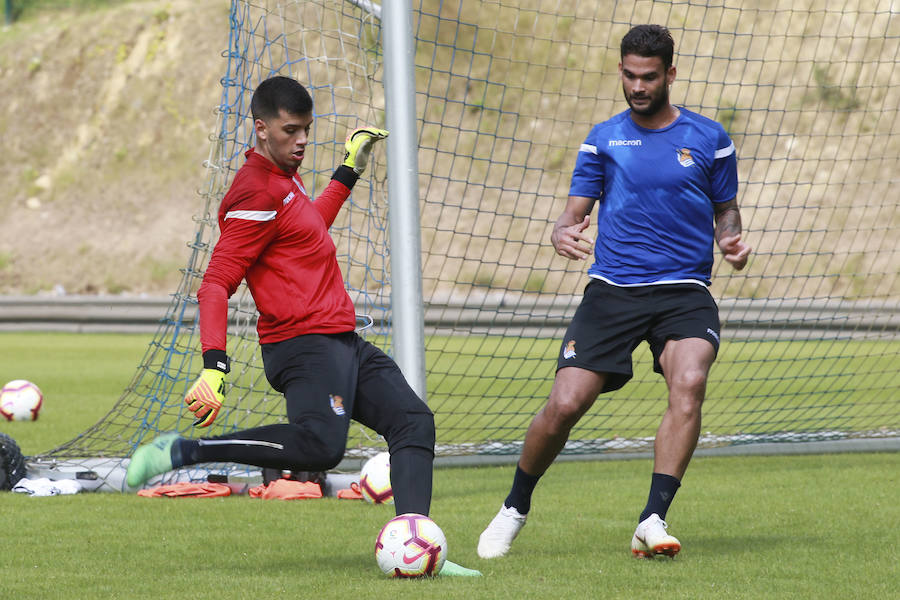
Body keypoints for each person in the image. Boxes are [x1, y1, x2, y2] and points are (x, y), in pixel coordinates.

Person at [126, 76, 479, 576]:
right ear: (261, 130)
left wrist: (348, 171)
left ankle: (417, 547)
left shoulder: (284, 178)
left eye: (307, 130)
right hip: (303, 344)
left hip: (339, 339)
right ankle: (185, 451)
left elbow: (307, 229)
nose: (302, 141)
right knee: (321, 446)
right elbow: (214, 284)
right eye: (291, 130)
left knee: (413, 423)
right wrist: (214, 365)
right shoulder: (253, 193)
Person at [477, 24, 751, 560]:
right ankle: (514, 507)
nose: (638, 86)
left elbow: (726, 209)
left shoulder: (710, 137)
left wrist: (731, 240)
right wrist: (561, 232)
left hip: (683, 290)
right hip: (613, 290)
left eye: (649, 76)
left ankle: (653, 517)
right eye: (629, 75)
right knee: (565, 404)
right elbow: (572, 213)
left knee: (690, 380)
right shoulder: (603, 138)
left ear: (670, 73)